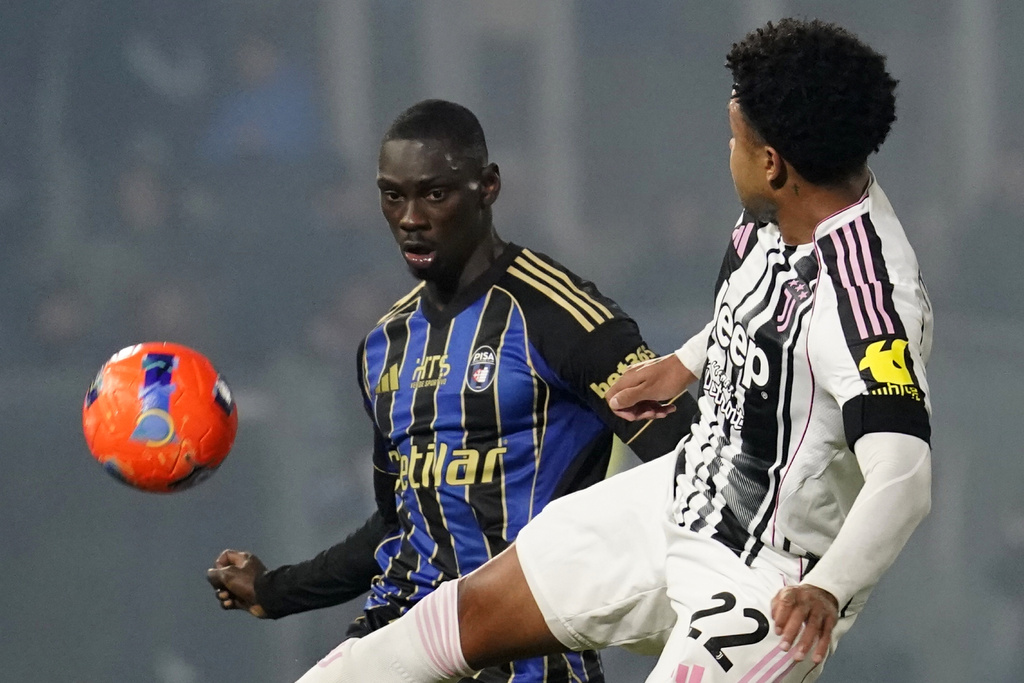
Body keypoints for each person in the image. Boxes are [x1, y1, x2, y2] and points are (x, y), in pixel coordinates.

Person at [297, 18, 933, 683]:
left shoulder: (869, 298)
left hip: (772, 583)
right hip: (680, 498)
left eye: (736, 138)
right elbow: (767, 312)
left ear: (772, 163)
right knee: (450, 622)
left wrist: (829, 587)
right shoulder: (784, 208)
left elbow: (904, 473)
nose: (730, 151)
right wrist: (686, 363)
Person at [207, 98, 699, 682]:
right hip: (395, 634)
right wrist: (275, 590)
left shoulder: (560, 316)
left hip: (520, 656)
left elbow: (698, 463)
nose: (411, 218)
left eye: (434, 194)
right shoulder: (383, 345)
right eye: (393, 197)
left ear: (487, 187)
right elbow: (400, 524)